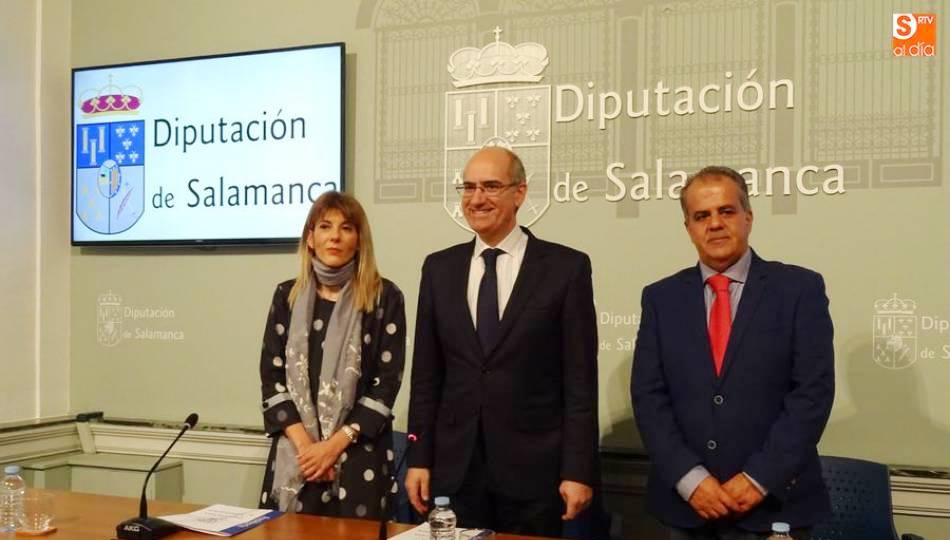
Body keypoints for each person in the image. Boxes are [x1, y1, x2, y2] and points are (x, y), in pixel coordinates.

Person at [631, 166, 835, 540]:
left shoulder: (799, 289)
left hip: (774, 508)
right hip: (687, 509)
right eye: (701, 216)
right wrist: (690, 479)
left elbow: (812, 394)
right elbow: (648, 397)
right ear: (688, 227)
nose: (715, 224)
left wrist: (759, 478)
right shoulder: (660, 298)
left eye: (726, 211)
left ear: (748, 217)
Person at [405, 146, 599, 537]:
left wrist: (578, 470)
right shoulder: (439, 268)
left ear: (520, 193)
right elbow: (426, 376)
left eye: (491, 186)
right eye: (468, 187)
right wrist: (419, 458)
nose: (476, 199)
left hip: (535, 476)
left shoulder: (566, 268)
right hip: (455, 474)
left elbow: (580, 382)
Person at [258, 191, 406, 520]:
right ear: (310, 238)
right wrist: (309, 450)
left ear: (359, 240)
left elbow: (386, 385)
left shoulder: (385, 297)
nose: (335, 236)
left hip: (359, 459)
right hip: (298, 456)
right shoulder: (286, 295)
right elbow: (272, 379)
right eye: (325, 226)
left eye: (346, 228)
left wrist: (331, 447)